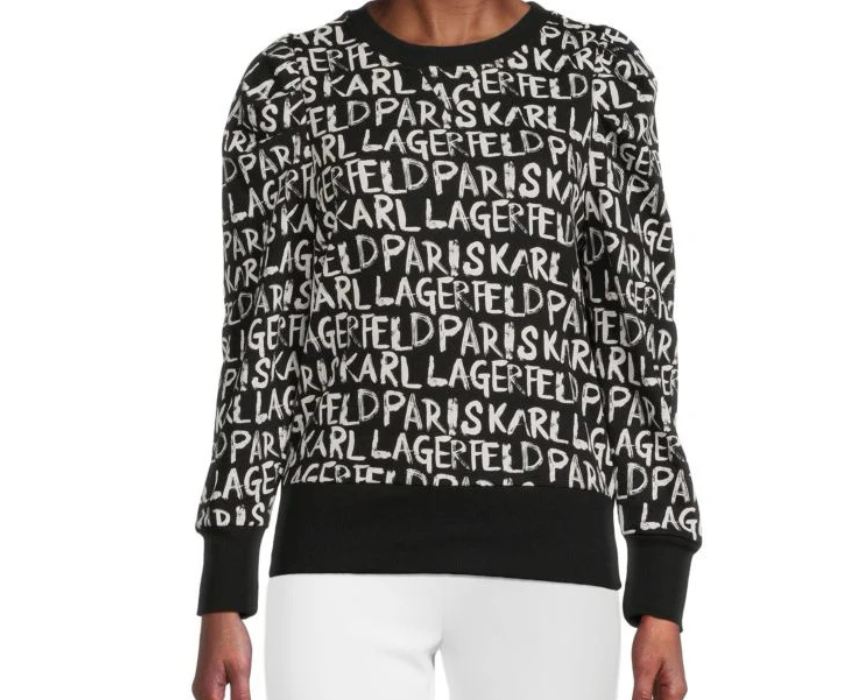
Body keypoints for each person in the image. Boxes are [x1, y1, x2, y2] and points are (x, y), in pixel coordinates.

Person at [191, 1, 704, 698]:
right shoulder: (292, 82)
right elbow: (261, 335)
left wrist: (660, 580)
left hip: (549, 554)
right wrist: (226, 581)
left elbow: (634, 330)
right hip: (338, 557)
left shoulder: (595, 75)